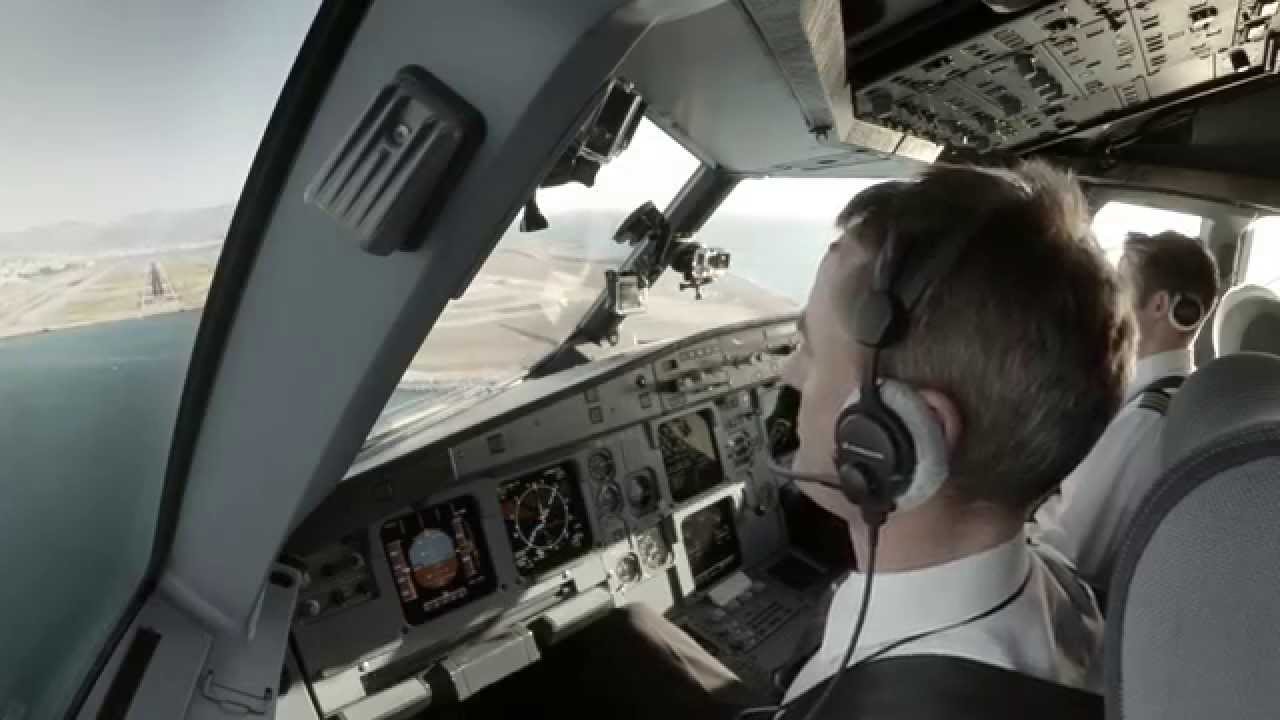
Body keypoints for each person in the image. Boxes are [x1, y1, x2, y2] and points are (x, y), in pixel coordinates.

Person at [460, 163, 1132, 719]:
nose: (789, 375)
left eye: (810, 349)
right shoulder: (1061, 597)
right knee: (622, 638)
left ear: (900, 432)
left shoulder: (905, 702)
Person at [1036, 230, 1218, 588]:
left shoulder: (1148, 418)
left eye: (1120, 286)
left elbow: (1073, 552)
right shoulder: (1171, 398)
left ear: (1159, 306)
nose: (1108, 300)